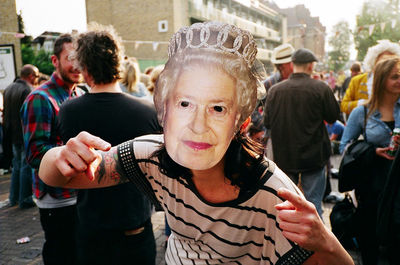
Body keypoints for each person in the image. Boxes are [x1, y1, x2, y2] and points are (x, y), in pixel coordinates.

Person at [39, 22, 353, 265]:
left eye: (217, 108)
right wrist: (60, 157)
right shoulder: (150, 155)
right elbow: (57, 175)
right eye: (185, 104)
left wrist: (325, 240)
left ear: (240, 121)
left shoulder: (273, 196)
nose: (197, 125)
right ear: (164, 110)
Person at [58, 24, 161, 265]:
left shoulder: (68, 111)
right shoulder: (147, 111)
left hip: (91, 228)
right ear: (118, 62)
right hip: (135, 228)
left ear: (84, 66)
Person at [20, 34, 83, 265]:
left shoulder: (80, 93)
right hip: (56, 197)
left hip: (80, 192)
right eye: (70, 58)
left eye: (80, 58)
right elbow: (35, 153)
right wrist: (74, 155)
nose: (76, 65)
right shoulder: (40, 98)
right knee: (60, 254)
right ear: (55, 61)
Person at [264, 48, 340, 217]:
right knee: (313, 206)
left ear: (293, 65)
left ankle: (289, 241)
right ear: (310, 66)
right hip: (314, 156)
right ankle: (313, 243)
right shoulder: (321, 88)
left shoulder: (275, 91)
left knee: (286, 205)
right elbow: (333, 116)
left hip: (285, 156)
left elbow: (267, 122)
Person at [339, 57, 400, 265]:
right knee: (371, 243)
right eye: (395, 76)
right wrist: (372, 151)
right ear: (382, 80)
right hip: (371, 188)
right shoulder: (362, 112)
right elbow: (344, 147)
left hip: (398, 187)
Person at [3, 64, 39, 208]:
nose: (37, 79)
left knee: (17, 165)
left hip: (12, 134)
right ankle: (25, 199)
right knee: (26, 166)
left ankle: (13, 198)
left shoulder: (9, 88)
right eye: (36, 76)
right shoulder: (27, 90)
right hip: (24, 134)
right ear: (31, 76)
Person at [341, 40, 400, 116]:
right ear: (374, 62)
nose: (387, 65)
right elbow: (344, 106)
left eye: (391, 61)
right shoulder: (357, 81)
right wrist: (363, 103)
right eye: (383, 61)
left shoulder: (398, 82)